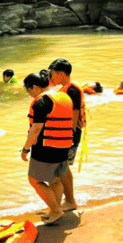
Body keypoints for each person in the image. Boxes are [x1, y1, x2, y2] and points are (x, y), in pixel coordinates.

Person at [21, 73, 74, 225]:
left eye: (29, 90)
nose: (30, 94)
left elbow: (36, 128)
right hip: (63, 145)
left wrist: (25, 149)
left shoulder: (41, 102)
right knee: (55, 180)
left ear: (35, 87)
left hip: (46, 147)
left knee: (34, 180)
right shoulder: (62, 96)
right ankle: (55, 210)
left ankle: (56, 210)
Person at [47, 59, 85, 211]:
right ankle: (67, 199)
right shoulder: (66, 88)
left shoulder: (72, 90)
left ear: (61, 74)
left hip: (69, 134)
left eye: (53, 74)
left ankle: (70, 200)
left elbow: (74, 113)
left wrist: (67, 136)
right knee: (62, 167)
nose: (51, 77)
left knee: (62, 167)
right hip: (66, 133)